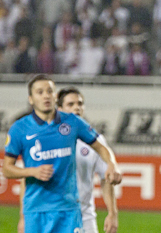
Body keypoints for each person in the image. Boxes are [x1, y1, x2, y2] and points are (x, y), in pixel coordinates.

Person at [3, 74, 122, 233]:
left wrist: (111, 164)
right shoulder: (19, 129)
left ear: (54, 96)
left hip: (69, 210)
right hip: (36, 211)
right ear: (31, 99)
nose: (46, 95)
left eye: (49, 91)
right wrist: (32, 172)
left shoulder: (72, 123)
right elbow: (6, 169)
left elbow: (101, 147)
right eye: (40, 92)